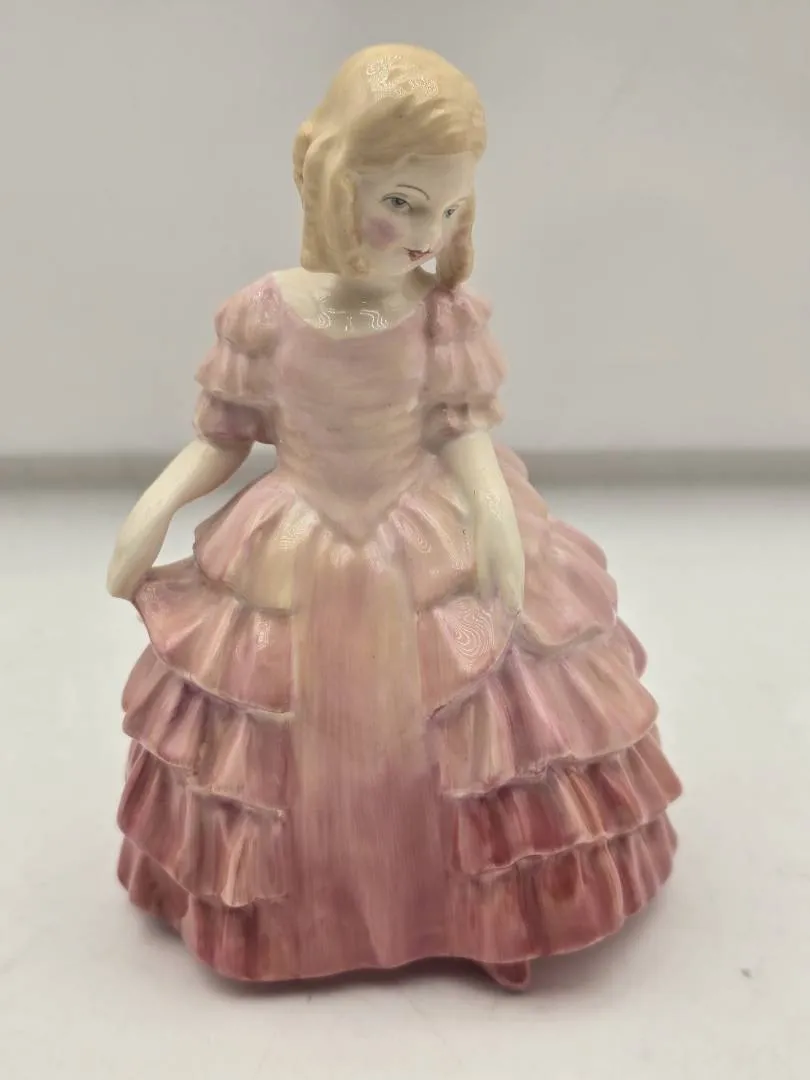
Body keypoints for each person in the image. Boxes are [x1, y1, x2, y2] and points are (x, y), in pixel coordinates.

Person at [107, 43, 681, 991]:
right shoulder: (265, 313)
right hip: (298, 537)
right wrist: (155, 507)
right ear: (335, 180)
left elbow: (459, 429)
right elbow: (224, 434)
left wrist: (493, 512)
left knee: (479, 710)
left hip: (424, 531)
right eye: (405, 203)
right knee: (277, 721)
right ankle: (304, 918)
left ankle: (465, 905)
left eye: (449, 209)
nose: (427, 235)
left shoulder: (439, 314)